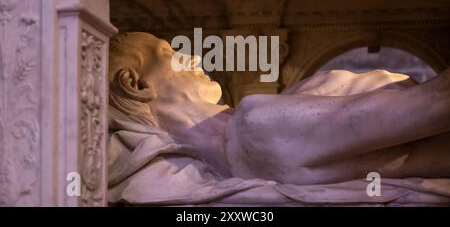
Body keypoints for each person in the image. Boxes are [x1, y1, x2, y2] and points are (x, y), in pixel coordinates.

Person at [108, 32, 450, 205]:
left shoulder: (248, 143)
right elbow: (437, 102)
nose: (193, 56)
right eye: (169, 54)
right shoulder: (254, 127)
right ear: (135, 84)